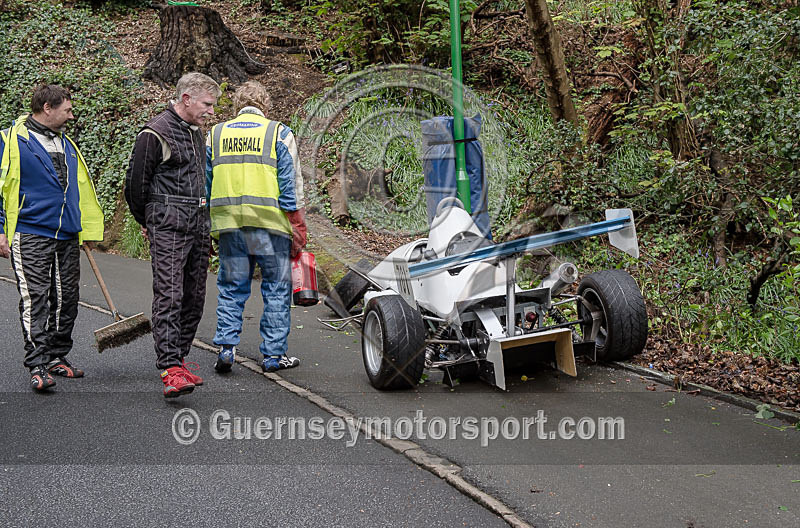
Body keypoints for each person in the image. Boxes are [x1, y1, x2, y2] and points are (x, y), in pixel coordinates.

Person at [0, 84, 104, 392]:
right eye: (67, 110)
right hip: (30, 231)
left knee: (67, 299)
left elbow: (78, 191)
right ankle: (37, 364)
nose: (71, 116)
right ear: (47, 108)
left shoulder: (67, 143)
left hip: (67, 234)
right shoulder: (9, 141)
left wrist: (84, 229)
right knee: (36, 298)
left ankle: (57, 356)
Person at [124, 72, 221, 398]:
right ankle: (169, 367)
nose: (211, 111)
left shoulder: (196, 132)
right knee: (170, 295)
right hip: (168, 225)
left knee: (195, 297)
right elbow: (135, 185)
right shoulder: (154, 132)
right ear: (186, 99)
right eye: (207, 104)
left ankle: (179, 358)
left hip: (198, 225)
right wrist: (149, 220)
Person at [206, 80, 307, 374]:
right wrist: (298, 226)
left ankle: (226, 349)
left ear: (238, 105)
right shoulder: (278, 133)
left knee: (231, 288)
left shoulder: (215, 135)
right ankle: (273, 356)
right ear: (265, 105)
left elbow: (205, 184)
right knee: (276, 289)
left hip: (230, 228)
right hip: (270, 228)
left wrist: (208, 226)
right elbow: (290, 186)